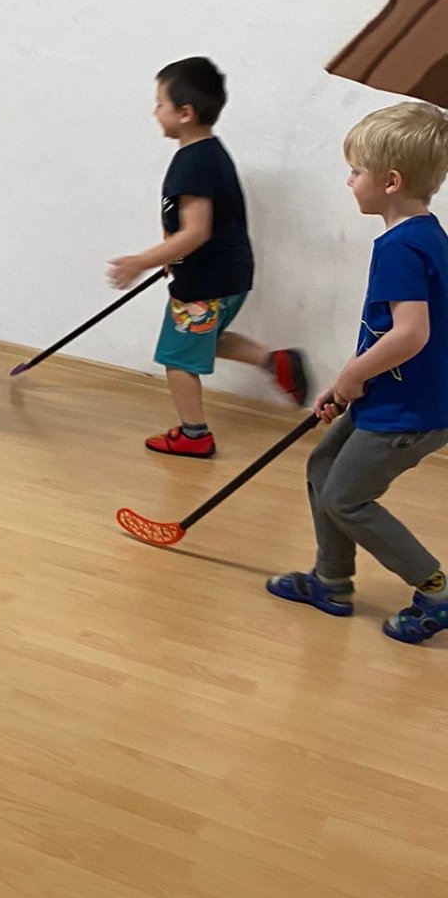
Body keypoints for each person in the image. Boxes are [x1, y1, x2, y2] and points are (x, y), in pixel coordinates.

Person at [267, 101, 448, 645]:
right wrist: (351, 382)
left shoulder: (402, 248)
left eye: (356, 171)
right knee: (323, 466)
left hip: (409, 411)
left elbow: (410, 334)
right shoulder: (426, 234)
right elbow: (392, 335)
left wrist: (351, 374)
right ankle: (331, 582)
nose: (349, 181)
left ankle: (436, 591)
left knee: (345, 497)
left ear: (390, 182)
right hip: (393, 396)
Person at [109, 57, 306, 456]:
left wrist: (141, 261)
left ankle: (194, 434)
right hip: (228, 275)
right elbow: (190, 226)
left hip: (206, 282)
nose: (155, 111)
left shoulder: (193, 164)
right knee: (205, 338)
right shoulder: (207, 154)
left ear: (185, 113)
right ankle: (274, 361)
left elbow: (196, 231)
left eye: (160, 103)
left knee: (177, 358)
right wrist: (170, 250)